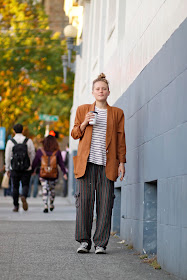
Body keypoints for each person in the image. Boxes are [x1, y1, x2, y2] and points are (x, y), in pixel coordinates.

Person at [71, 73, 126, 254]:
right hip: (86, 166)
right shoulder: (82, 109)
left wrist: (121, 162)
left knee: (105, 205)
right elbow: (75, 134)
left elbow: (120, 139)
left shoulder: (117, 113)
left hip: (107, 166)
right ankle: (84, 242)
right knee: (84, 203)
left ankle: (100, 243)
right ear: (93, 92)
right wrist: (85, 122)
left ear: (108, 92)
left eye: (104, 88)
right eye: (97, 89)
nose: (101, 91)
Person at [32, 135, 67, 213]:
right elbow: (61, 163)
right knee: (52, 189)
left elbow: (35, 162)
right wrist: (64, 173)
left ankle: (45, 205)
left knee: (44, 188)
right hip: (54, 174)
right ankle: (51, 203)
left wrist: (32, 171)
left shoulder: (40, 151)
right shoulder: (57, 152)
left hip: (43, 174)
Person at [5, 123, 35, 212]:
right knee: (25, 184)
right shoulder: (28, 141)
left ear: (13, 131)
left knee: (15, 187)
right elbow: (32, 154)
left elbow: (7, 156)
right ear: (22, 130)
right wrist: (31, 165)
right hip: (26, 168)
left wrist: (7, 168)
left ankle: (15, 206)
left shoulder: (11, 142)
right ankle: (23, 196)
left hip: (14, 168)